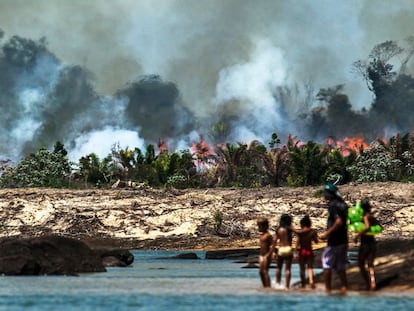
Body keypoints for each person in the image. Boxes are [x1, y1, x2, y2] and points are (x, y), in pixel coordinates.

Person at [319, 183, 349, 294]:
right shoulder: (342, 204)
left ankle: (328, 289)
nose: (323, 195)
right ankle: (344, 287)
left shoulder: (333, 206)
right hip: (343, 240)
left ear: (329, 194)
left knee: (327, 264)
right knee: (340, 266)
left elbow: (338, 222)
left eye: (325, 193)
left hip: (334, 241)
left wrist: (326, 234)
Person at [354, 199, 377, 291]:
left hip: (365, 243)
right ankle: (373, 282)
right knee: (370, 265)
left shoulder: (365, 216)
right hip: (373, 242)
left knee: (361, 263)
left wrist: (357, 235)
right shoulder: (371, 216)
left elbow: (367, 227)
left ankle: (369, 283)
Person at [295, 215, 319, 289]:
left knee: (302, 268)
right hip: (309, 251)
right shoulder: (312, 231)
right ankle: (311, 281)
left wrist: (295, 252)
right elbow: (316, 241)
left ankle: (303, 283)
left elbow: (297, 243)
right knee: (310, 267)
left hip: (302, 251)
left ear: (301, 224)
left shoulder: (300, 232)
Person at [274, 213, 294, 289]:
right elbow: (297, 233)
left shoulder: (279, 229)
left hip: (281, 249)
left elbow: (274, 241)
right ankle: (287, 286)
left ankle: (277, 284)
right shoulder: (290, 229)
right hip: (288, 248)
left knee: (279, 268)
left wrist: (273, 252)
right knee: (288, 269)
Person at [257, 218, 274, 288]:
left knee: (265, 271)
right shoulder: (261, 236)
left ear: (265, 226)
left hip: (266, 255)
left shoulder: (268, 235)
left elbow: (272, 245)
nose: (258, 228)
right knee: (261, 272)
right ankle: (264, 285)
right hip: (261, 255)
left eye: (259, 226)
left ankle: (268, 286)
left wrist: (269, 254)